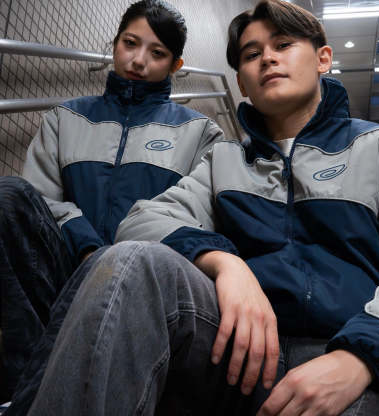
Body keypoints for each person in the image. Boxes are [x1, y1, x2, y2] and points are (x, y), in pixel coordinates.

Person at [5, 0, 379, 415]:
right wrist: (224, 262)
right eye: (252, 54)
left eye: (283, 45)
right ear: (241, 82)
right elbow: (144, 220)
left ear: (323, 58)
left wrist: (361, 357)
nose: (267, 58)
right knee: (131, 259)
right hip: (236, 348)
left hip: (352, 351)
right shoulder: (224, 161)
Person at [0, 0, 224, 402]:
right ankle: (21, 383)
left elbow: (198, 217)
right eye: (130, 43)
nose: (138, 61)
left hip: (140, 284)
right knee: (8, 196)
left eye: (157, 53)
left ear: (175, 65)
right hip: (67, 266)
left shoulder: (200, 133)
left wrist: (118, 256)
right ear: (116, 42)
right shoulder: (66, 118)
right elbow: (40, 196)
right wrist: (86, 245)